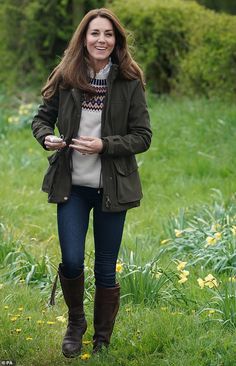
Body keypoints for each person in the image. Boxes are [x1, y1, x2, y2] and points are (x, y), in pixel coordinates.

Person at [31, 7, 152, 358]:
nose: (102, 40)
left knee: (104, 264)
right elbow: (42, 120)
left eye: (108, 34)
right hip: (72, 185)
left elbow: (143, 136)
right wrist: (46, 138)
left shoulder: (129, 80)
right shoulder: (66, 75)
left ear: (116, 41)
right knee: (71, 260)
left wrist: (105, 145)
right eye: (95, 33)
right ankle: (75, 323)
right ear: (84, 38)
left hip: (113, 188)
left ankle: (101, 338)